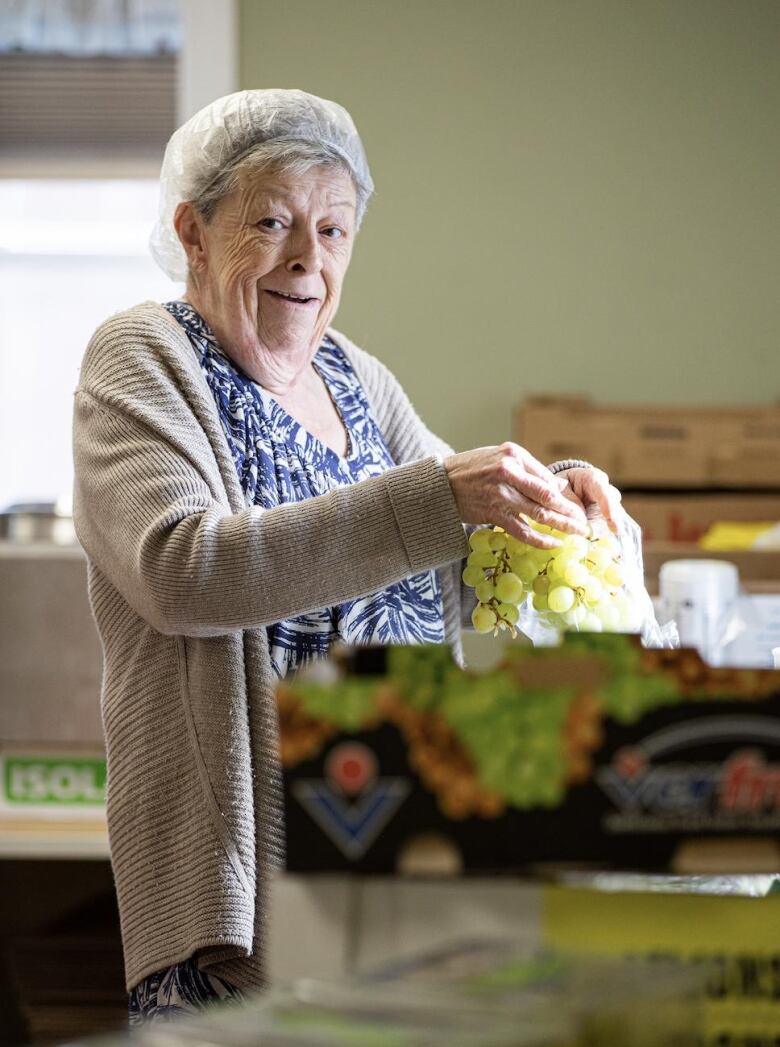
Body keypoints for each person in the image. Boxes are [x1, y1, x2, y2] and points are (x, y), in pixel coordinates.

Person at [72, 89, 622, 1023]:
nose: (306, 259)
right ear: (194, 233)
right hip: (243, 909)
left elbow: (460, 545)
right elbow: (181, 567)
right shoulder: (142, 356)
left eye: (333, 230)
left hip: (397, 872)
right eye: (273, 221)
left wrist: (551, 492)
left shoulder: (356, 376)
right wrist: (441, 497)